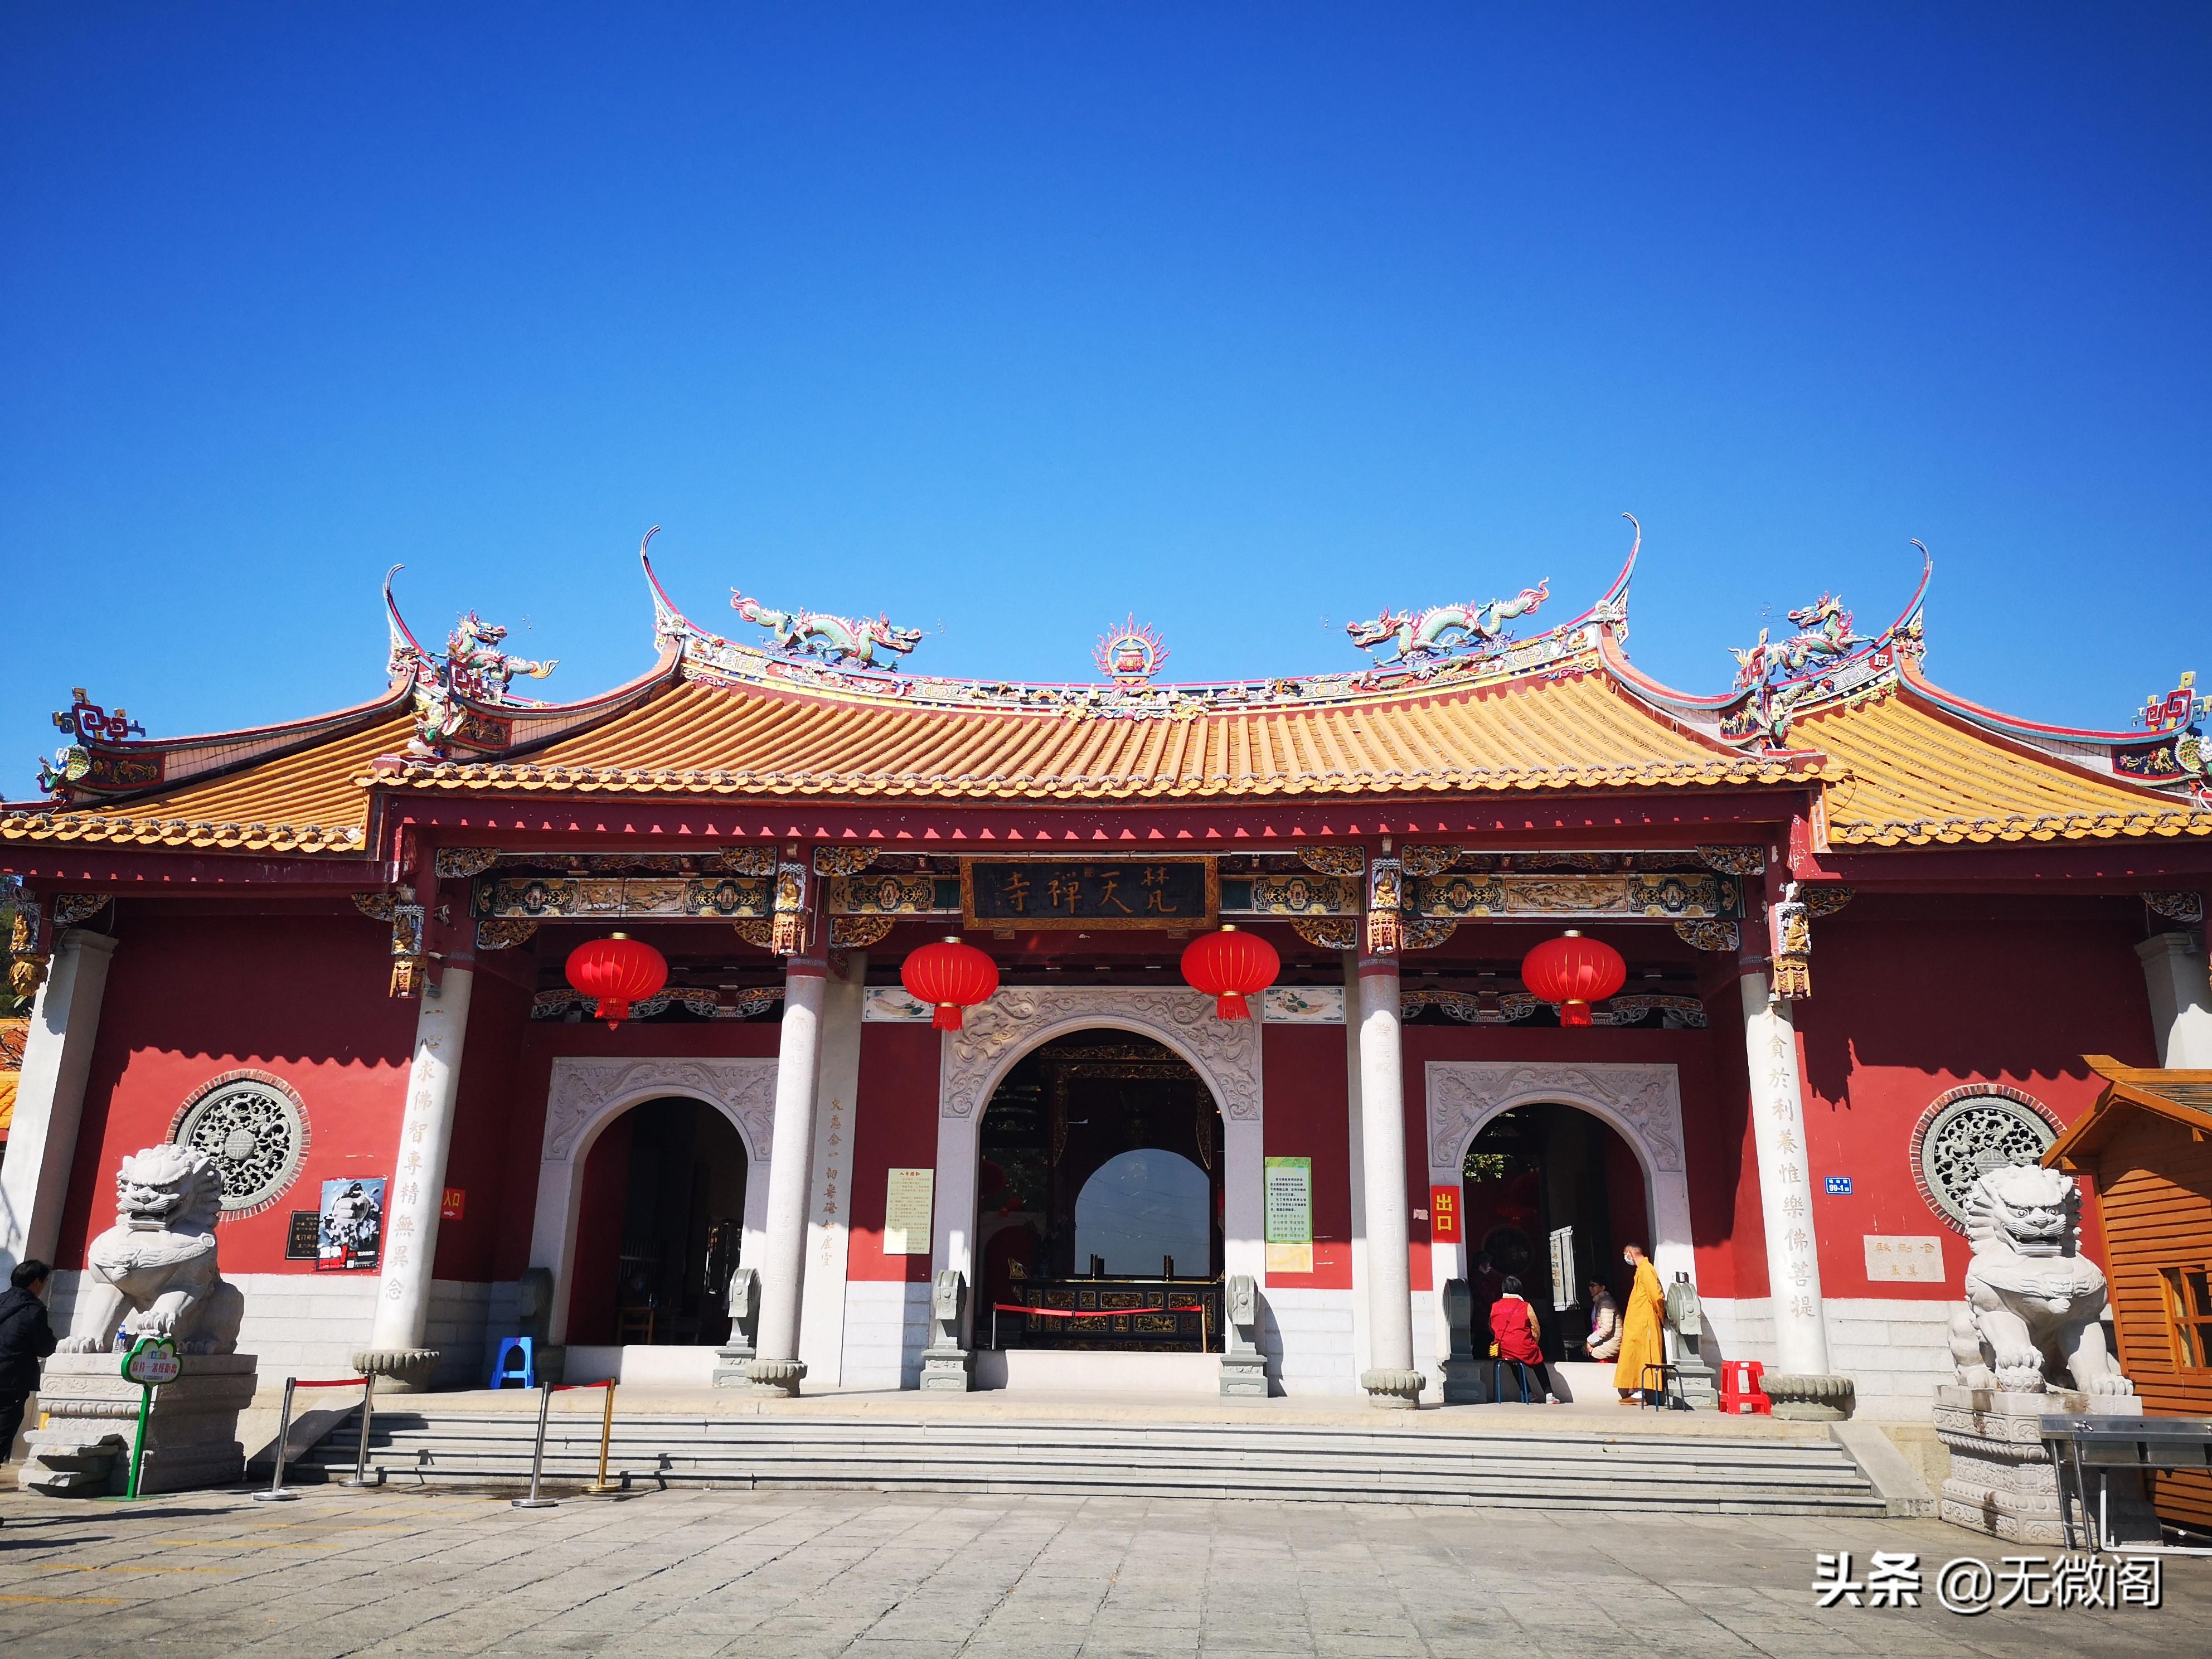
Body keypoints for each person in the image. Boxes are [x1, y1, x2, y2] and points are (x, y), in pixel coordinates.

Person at [0, 1259, 58, 1467]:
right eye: (44, 1282)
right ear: (36, 1282)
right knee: (4, 1427)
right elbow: (45, 1347)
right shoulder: (34, 1310)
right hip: (11, 1380)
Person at [1487, 1274, 1559, 1404]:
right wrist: (1533, 1343)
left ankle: (1528, 1394)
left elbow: (1491, 1327)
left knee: (1513, 1364)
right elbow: (1536, 1328)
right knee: (1538, 1364)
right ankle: (1549, 1394)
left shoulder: (1495, 1306)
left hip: (1503, 1348)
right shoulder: (1525, 1306)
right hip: (1523, 1346)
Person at [1613, 1243, 1667, 1403]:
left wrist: (1661, 1315)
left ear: (1630, 1253)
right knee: (1634, 1357)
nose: (1626, 1259)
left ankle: (1641, 1392)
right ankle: (1636, 1389)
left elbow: (1656, 1296)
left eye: (1625, 1255)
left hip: (1646, 1324)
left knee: (1644, 1357)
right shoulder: (1640, 1271)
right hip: (1638, 1325)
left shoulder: (1646, 1269)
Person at [1585, 1277, 1622, 1363]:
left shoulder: (1606, 1303)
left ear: (1602, 1288)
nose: (1590, 1288)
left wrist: (1590, 1341)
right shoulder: (1599, 1302)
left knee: (1588, 1353)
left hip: (1611, 1343)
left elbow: (1607, 1329)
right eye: (1590, 1286)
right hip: (1604, 1341)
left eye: (1593, 1285)